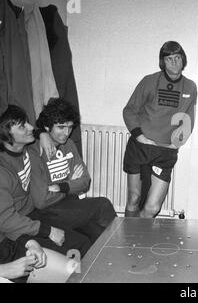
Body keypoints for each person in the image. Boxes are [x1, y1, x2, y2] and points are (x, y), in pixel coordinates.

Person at [0, 105, 92, 282]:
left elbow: (42, 128)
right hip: (16, 230)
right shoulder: (3, 169)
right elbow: (6, 220)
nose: (30, 127)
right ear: (6, 134)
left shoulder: (25, 146)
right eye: (22, 126)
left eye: (27, 122)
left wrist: (42, 134)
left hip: (28, 220)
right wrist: (46, 231)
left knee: (83, 241)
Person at [123, 41, 197, 218]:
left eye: (177, 58)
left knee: (152, 207)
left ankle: (138, 237)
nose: (173, 62)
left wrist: (176, 144)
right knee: (134, 198)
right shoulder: (149, 81)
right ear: (162, 61)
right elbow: (130, 110)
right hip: (140, 147)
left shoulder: (190, 87)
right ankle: (129, 241)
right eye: (169, 58)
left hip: (165, 152)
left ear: (183, 60)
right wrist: (139, 136)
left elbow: (188, 119)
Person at [34, 98, 117, 243]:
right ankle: (125, 246)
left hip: (68, 205)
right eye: (61, 127)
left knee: (99, 235)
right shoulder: (36, 150)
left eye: (70, 127)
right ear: (47, 127)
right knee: (103, 205)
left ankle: (120, 253)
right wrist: (71, 185)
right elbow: (42, 200)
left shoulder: (69, 144)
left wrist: (62, 187)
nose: (66, 133)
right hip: (48, 212)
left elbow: (85, 181)